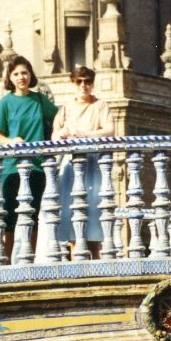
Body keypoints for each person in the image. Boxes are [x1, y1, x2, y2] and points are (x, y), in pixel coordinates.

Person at [0, 55, 57, 259]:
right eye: (16, 74)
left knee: (33, 215)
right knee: (10, 216)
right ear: (10, 77)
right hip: (12, 167)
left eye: (24, 73)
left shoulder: (39, 100)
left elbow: (60, 117)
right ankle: (8, 263)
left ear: (30, 75)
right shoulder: (5, 102)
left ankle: (30, 259)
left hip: (37, 166)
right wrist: (12, 141)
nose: (21, 77)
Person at [52, 66, 115, 259]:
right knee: (72, 213)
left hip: (93, 165)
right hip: (71, 166)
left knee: (94, 213)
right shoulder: (66, 108)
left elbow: (110, 130)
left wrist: (84, 135)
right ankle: (75, 263)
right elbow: (54, 134)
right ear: (73, 83)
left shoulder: (100, 106)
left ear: (92, 84)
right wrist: (62, 134)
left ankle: (96, 263)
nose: (83, 85)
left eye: (87, 81)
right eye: (79, 81)